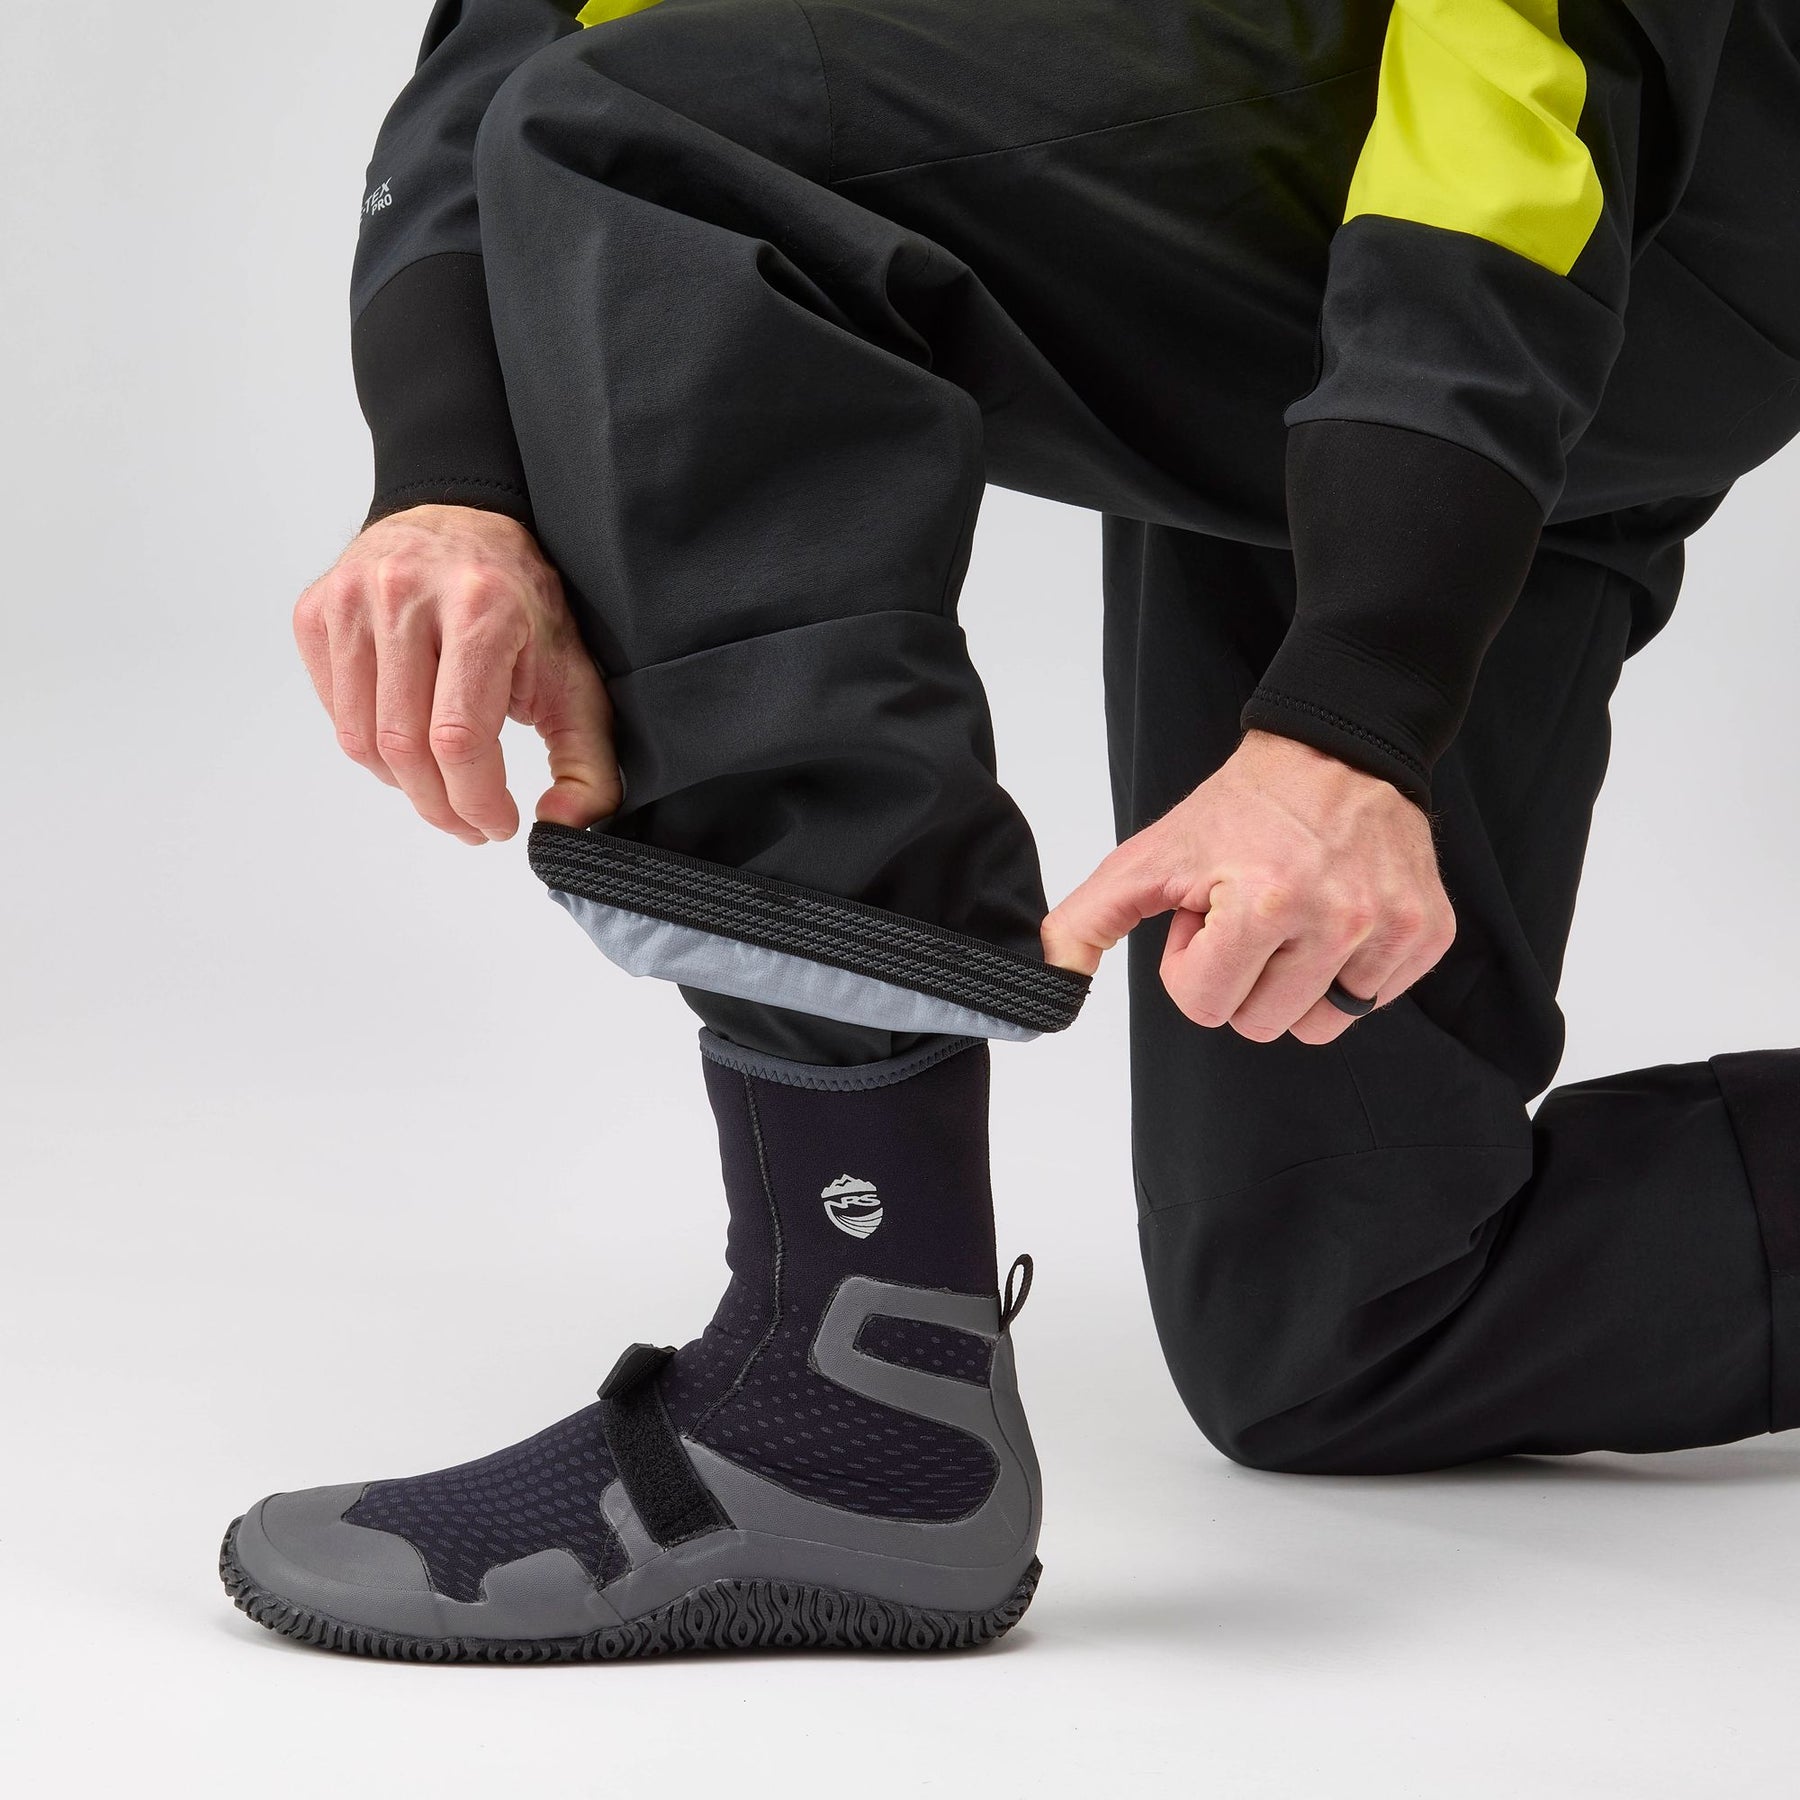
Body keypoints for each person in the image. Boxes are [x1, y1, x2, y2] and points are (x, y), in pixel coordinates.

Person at [221, 0, 1800, 1662]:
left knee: (659, 147)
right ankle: (889, 1388)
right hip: (1347, 232)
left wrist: (1358, 707)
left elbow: (1535, 57)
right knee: (1344, 1320)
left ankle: (851, 1389)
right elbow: (519, 38)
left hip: (1611, 190)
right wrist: (447, 478)